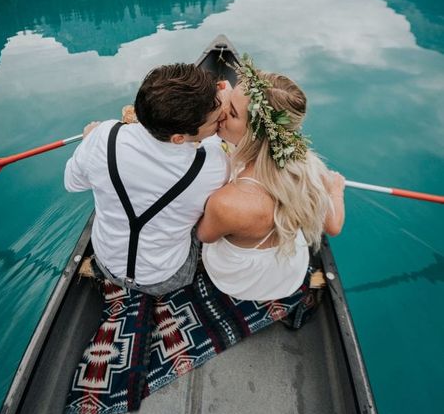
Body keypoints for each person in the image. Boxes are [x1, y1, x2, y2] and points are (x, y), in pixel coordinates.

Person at [64, 63, 229, 296]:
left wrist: (88, 141)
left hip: (107, 263)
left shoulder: (104, 136)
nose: (220, 122)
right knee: (211, 218)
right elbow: (216, 147)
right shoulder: (214, 165)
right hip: (166, 278)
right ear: (179, 138)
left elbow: (72, 183)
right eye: (215, 121)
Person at [197, 55, 345, 302]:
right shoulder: (309, 168)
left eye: (231, 112)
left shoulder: (228, 203)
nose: (220, 110)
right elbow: (333, 227)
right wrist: (336, 190)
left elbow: (204, 236)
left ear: (256, 135)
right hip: (290, 277)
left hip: (239, 283)